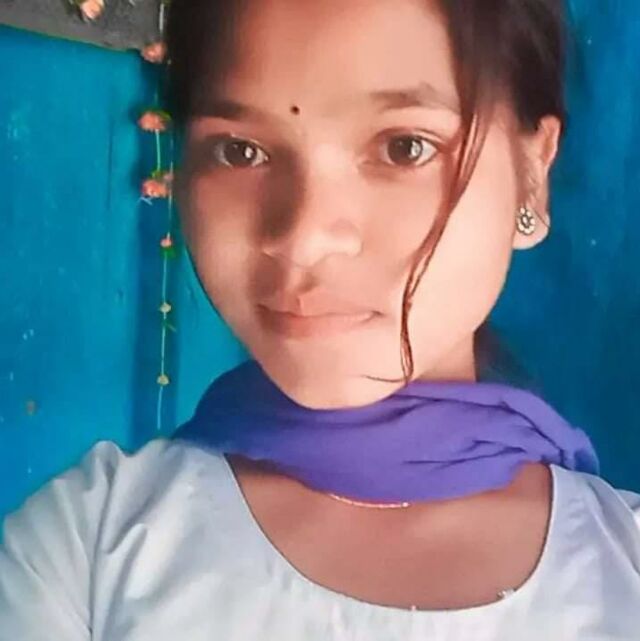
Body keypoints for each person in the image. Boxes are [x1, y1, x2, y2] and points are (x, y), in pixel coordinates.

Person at [1, 0, 639, 639]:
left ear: (531, 174)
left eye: (404, 147)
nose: (303, 239)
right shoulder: (84, 551)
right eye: (241, 151)